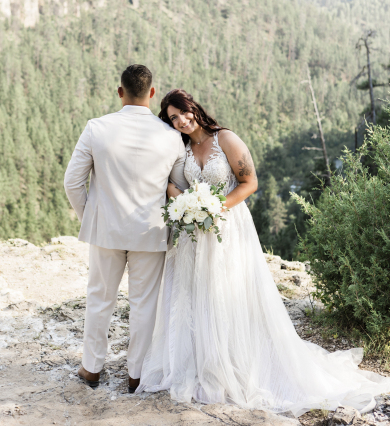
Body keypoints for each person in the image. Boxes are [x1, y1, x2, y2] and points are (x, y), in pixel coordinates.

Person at [137, 88, 390, 417]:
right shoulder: (180, 147)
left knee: (226, 295)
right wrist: (186, 203)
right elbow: (172, 185)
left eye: (183, 112)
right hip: (194, 234)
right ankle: (200, 363)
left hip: (227, 228)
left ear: (194, 108)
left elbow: (249, 182)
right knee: (195, 296)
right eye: (173, 118)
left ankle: (237, 363)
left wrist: (214, 208)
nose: (181, 121)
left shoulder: (224, 139)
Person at [64, 66, 188, 392]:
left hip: (105, 229)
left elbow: (72, 182)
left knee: (99, 299)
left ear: (120, 92)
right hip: (151, 231)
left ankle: (91, 369)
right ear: (151, 93)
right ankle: (137, 375)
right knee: (144, 305)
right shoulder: (172, 137)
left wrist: (89, 217)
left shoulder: (96, 128)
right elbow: (178, 187)